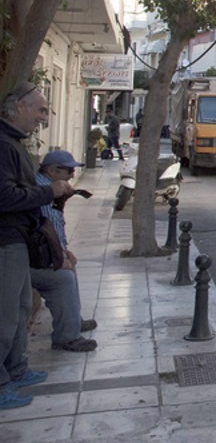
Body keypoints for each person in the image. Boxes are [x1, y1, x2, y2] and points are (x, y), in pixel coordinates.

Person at [0, 82, 73, 410]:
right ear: (17, 108)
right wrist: (49, 192)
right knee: (4, 316)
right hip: (5, 241)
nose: (44, 117)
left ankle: (16, 369)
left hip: (17, 241)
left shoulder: (13, 143)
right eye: (40, 109)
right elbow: (5, 197)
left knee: (18, 310)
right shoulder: (3, 145)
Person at [30, 151, 98, 353]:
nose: (72, 173)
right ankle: (67, 337)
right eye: (68, 169)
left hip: (33, 252)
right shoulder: (47, 189)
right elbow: (49, 225)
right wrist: (59, 255)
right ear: (52, 171)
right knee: (63, 277)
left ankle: (73, 321)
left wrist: (63, 252)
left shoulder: (47, 185)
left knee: (69, 264)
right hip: (28, 258)